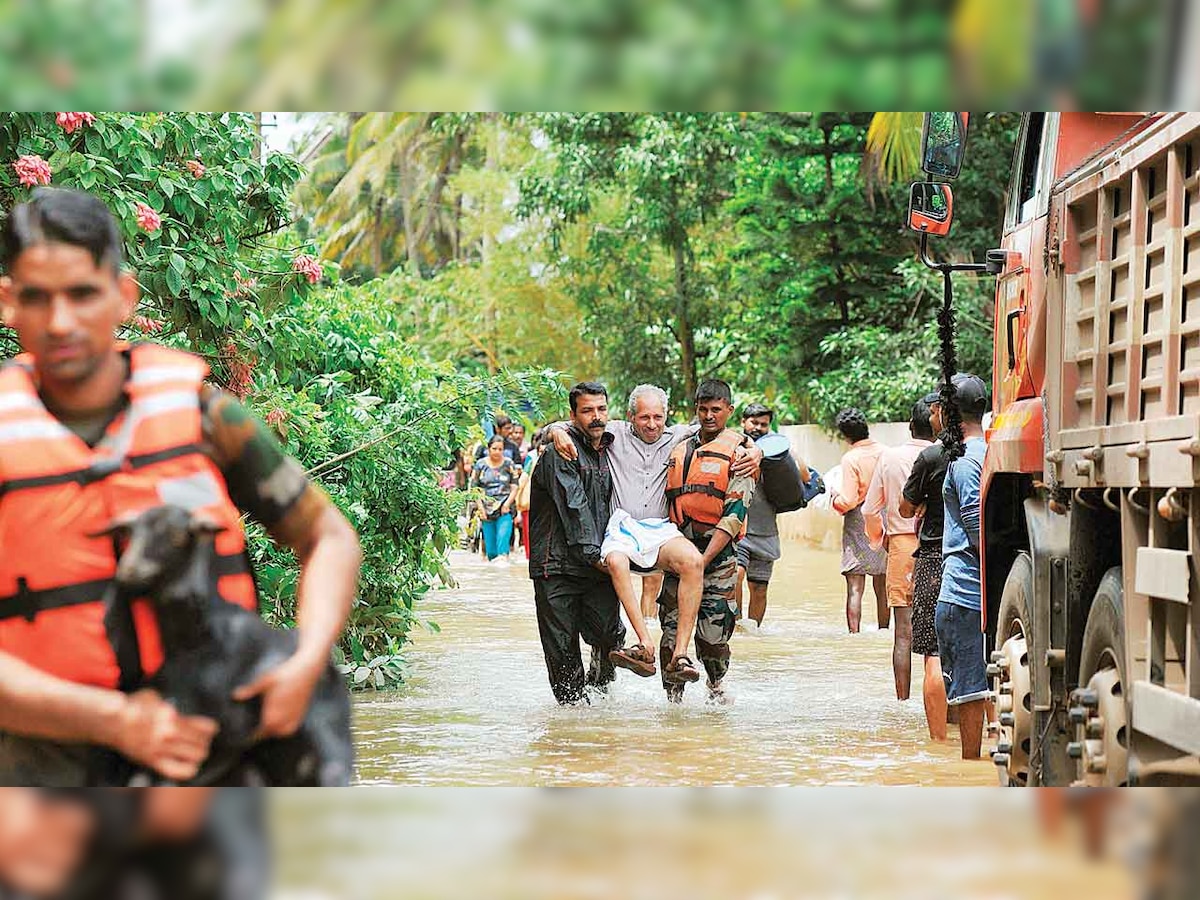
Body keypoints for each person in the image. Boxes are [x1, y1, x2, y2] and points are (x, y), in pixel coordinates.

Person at [0, 188, 362, 786]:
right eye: (38, 298)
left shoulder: (202, 413)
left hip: (212, 756)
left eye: (83, 294)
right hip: (43, 773)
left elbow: (329, 538)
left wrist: (307, 658)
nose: (61, 322)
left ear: (124, 295)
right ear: (9, 304)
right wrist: (117, 720)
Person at [549, 384, 761, 687]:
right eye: (644, 417)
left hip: (660, 529)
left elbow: (728, 434)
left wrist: (757, 451)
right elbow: (569, 423)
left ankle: (681, 654)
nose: (651, 424)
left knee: (692, 562)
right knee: (616, 562)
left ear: (667, 416)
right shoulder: (614, 432)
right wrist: (556, 431)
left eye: (658, 417)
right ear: (630, 416)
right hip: (621, 528)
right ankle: (644, 645)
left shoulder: (679, 436)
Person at [527, 382, 626, 705]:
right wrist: (602, 559)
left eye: (601, 409)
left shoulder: (613, 445)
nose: (596, 417)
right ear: (573, 415)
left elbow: (661, 429)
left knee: (610, 635)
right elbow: (575, 507)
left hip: (597, 564)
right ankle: (574, 725)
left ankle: (601, 702)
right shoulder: (560, 450)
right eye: (587, 411)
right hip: (556, 567)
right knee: (564, 654)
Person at [660, 379, 755, 704]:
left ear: (729, 410)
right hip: (679, 555)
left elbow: (733, 517)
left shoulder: (741, 454)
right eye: (703, 409)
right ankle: (673, 702)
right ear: (695, 410)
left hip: (718, 558)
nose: (709, 416)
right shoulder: (678, 447)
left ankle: (716, 684)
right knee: (671, 633)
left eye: (716, 410)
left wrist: (702, 561)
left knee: (712, 637)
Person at [935, 373, 991, 760]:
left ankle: (969, 767)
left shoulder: (965, 462)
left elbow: (974, 522)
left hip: (964, 589)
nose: (933, 415)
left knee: (968, 688)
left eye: (938, 408)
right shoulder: (988, 453)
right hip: (979, 588)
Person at [863, 399, 934, 701]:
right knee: (939, 632)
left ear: (909, 426)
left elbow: (869, 509)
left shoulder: (889, 457)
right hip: (938, 544)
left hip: (901, 546)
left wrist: (880, 539)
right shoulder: (945, 456)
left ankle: (902, 702)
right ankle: (943, 705)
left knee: (903, 632)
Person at [900, 391, 952, 741]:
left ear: (943, 413)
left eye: (935, 411)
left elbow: (906, 507)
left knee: (933, 652)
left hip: (934, 557)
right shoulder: (985, 452)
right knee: (978, 653)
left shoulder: (931, 456)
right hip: (978, 559)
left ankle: (939, 742)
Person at [735, 402, 812, 628]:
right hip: (737, 528)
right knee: (735, 576)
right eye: (753, 422)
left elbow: (805, 477)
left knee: (759, 588)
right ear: (743, 421)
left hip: (766, 530)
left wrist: (782, 448)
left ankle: (754, 633)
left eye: (763, 424)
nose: (758, 428)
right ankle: (736, 626)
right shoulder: (732, 444)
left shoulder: (776, 452)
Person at [830, 408, 888, 633]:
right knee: (882, 584)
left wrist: (835, 499)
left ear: (845, 435)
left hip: (858, 520)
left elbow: (849, 500)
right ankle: (884, 630)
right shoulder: (885, 452)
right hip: (883, 517)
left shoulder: (851, 458)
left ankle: (854, 635)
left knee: (855, 585)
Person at [470, 435, 520, 563]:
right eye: (494, 449)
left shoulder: (509, 464)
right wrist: (481, 508)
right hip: (486, 509)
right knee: (491, 552)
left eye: (500, 449)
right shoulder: (480, 465)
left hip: (504, 508)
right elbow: (475, 489)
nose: (497, 452)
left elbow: (515, 487)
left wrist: (507, 504)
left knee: (502, 546)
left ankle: (505, 570)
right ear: (488, 449)